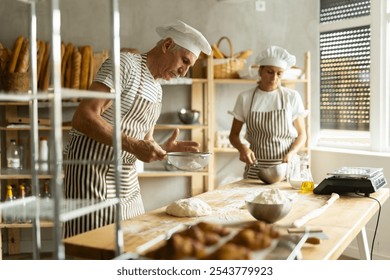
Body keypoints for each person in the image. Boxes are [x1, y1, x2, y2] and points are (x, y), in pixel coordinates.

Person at [63, 20, 211, 238]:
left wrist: (161, 149)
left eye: (189, 66)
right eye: (184, 61)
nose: (184, 71)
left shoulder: (157, 90)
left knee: (132, 245)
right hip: (91, 175)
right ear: (167, 45)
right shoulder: (124, 65)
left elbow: (143, 143)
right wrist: (133, 145)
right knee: (96, 252)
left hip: (127, 183)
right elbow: (83, 116)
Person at [228, 46, 307, 180]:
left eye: (279, 73)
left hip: (286, 169)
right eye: (270, 72)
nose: (274, 77)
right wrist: (242, 149)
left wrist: (293, 153)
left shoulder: (291, 97)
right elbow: (233, 135)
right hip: (256, 171)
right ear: (260, 71)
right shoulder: (245, 98)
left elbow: (302, 134)